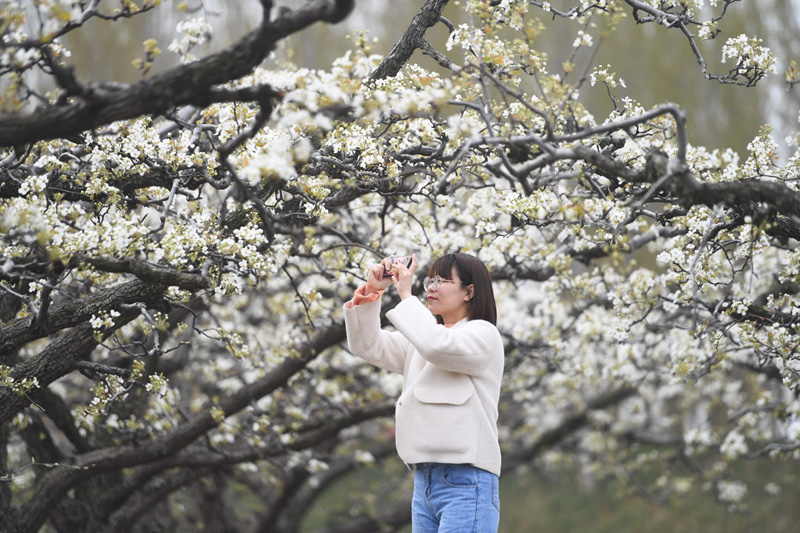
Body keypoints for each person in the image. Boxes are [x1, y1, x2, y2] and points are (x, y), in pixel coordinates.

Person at [343, 252, 504, 532]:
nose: (431, 286)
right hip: (424, 482)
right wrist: (371, 291)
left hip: (468, 480)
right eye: (430, 279)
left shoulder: (484, 335)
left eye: (442, 280)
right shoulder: (422, 340)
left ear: (469, 291)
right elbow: (367, 346)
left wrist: (406, 294)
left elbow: (437, 346)